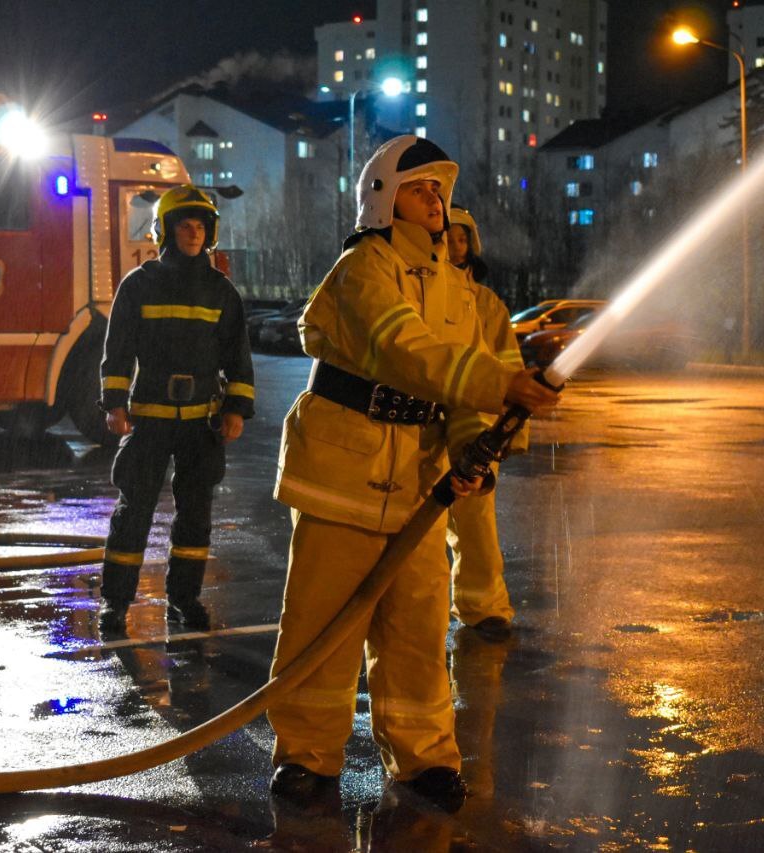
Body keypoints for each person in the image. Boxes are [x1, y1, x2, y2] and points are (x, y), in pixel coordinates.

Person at [266, 136, 561, 813]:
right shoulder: (363, 267)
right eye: (421, 186)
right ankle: (307, 755)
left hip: (418, 484)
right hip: (343, 471)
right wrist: (501, 382)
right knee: (322, 624)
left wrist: (468, 448)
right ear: (381, 196)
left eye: (441, 189)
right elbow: (405, 350)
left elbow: (453, 389)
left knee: (418, 631)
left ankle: (424, 756)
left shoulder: (458, 289)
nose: (437, 199)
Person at [98, 185, 254, 631]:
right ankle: (116, 602)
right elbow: (118, 349)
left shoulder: (221, 291)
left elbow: (236, 356)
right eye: (185, 225)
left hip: (201, 426)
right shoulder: (140, 284)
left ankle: (184, 599)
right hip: (149, 420)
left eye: (201, 226)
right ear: (166, 229)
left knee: (196, 518)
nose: (194, 233)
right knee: (134, 514)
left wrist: (236, 409)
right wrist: (113, 403)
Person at [444, 206, 527, 641]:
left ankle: (484, 606)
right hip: (424, 424)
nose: (456, 246)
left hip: (477, 429)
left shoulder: (489, 306)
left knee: (476, 526)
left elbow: (510, 372)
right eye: (449, 237)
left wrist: (511, 436)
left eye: (463, 239)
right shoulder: (424, 293)